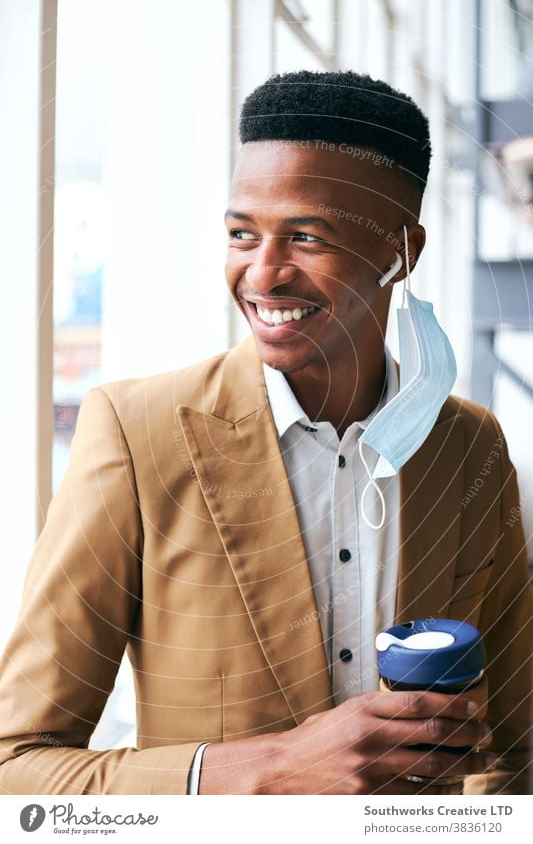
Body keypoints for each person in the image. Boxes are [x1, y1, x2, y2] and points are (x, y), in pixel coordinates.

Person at [0, 70, 530, 796]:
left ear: (401, 251)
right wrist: (268, 770)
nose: (262, 273)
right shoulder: (136, 435)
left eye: (307, 236)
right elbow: (15, 763)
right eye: (241, 233)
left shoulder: (469, 446)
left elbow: (514, 744)